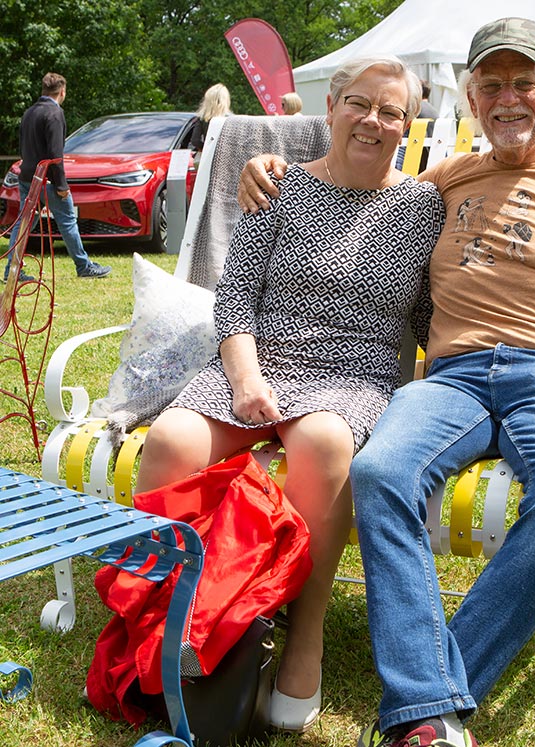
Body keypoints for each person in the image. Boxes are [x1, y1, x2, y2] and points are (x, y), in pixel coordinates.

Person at [237, 16, 535, 747]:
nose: (508, 99)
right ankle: (431, 707)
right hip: (452, 377)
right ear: (472, 101)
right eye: (491, 86)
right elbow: (353, 174)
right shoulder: (444, 180)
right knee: (380, 471)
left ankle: (424, 703)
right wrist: (271, 168)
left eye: (524, 83)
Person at [136, 55, 445, 735]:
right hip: (257, 361)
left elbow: (431, 316)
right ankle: (158, 625)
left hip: (352, 372)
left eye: (391, 111)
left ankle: (305, 634)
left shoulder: (425, 207)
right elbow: (237, 297)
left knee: (326, 442)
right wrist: (247, 380)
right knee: (171, 439)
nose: (372, 120)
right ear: (330, 108)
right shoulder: (278, 185)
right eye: (358, 103)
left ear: (408, 125)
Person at [3, 72, 111, 282]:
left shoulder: (29, 112)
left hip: (27, 177)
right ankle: (84, 266)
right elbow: (55, 154)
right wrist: (61, 185)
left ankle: (11, 271)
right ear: (62, 91)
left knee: (23, 224)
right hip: (47, 179)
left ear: (44, 90)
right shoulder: (54, 113)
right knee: (68, 221)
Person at [190, 83, 232, 163]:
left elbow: (195, 140)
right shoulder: (231, 119)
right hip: (225, 160)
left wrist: (206, 149)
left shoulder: (202, 118)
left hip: (207, 160)